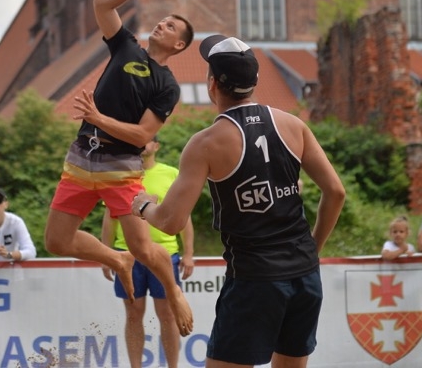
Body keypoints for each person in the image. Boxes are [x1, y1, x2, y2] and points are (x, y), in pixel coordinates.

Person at [132, 34, 347, 368]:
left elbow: (170, 221)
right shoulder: (293, 125)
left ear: (212, 84)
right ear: (256, 81)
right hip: (305, 276)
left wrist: (143, 205)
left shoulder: (206, 143)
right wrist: (312, 250)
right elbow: (336, 193)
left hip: (254, 280)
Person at [44, 0, 195, 336]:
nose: (162, 23)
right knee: (56, 241)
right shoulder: (126, 47)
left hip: (121, 166)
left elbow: (142, 136)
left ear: (178, 44)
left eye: (171, 26)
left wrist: (99, 119)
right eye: (163, 19)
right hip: (82, 157)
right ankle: (117, 259)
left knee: (145, 248)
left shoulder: (167, 85)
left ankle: (173, 290)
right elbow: (101, 3)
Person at [101, 136, 195, 368]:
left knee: (168, 314)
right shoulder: (120, 175)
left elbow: (183, 215)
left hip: (164, 253)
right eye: (137, 141)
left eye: (148, 140)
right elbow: (110, 218)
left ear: (156, 146)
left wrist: (189, 253)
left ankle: (173, 366)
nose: (143, 144)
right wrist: (106, 255)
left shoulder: (170, 173)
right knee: (134, 314)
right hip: (127, 254)